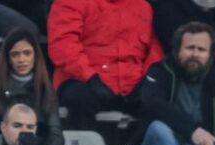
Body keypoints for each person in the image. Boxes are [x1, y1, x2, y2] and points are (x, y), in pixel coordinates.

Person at [48, 0, 161, 128]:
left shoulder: (143, 7)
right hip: (83, 82)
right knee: (80, 98)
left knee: (158, 101)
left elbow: (154, 52)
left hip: (133, 87)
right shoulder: (70, 2)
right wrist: (92, 79)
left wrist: (146, 82)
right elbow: (63, 46)